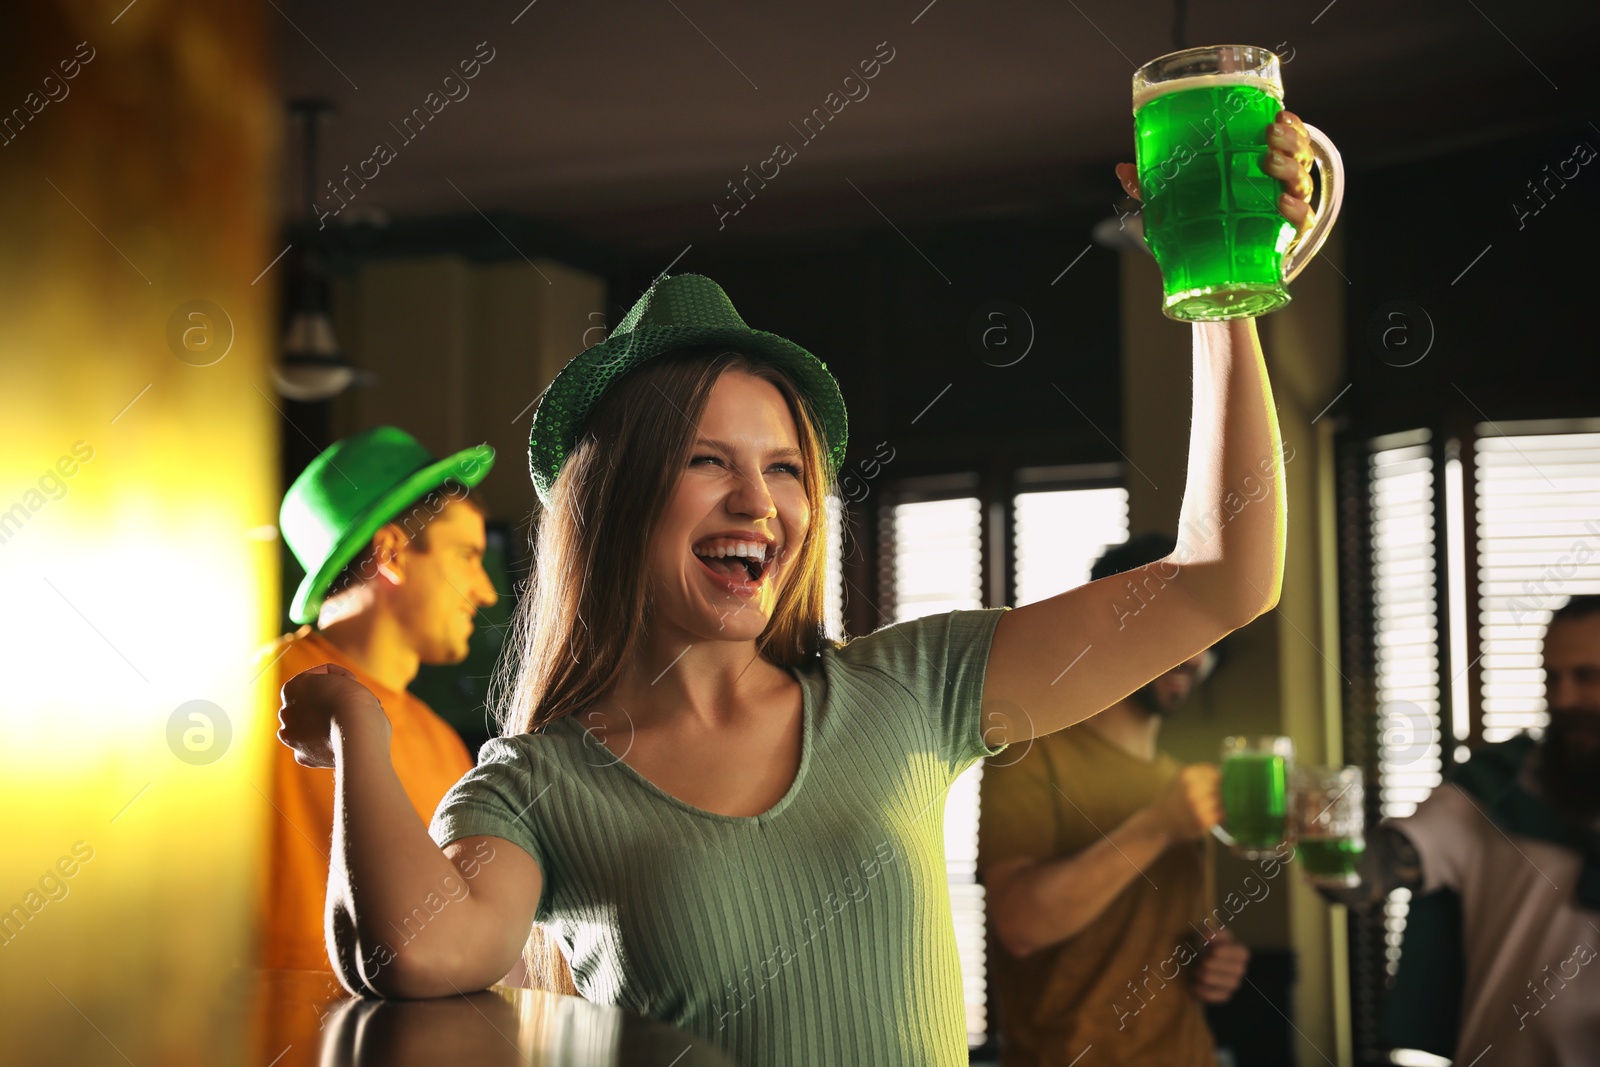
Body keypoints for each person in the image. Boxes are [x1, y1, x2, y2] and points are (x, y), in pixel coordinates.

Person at [276, 115, 1316, 1067]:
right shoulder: (538, 782)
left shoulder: (913, 686)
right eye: (704, 461)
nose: (759, 503)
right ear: (617, 504)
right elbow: (420, 956)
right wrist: (358, 728)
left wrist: (1220, 291)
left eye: (785, 469)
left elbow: (1218, 579)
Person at [978, 533, 1246, 1067]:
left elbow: (1166, 935)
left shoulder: (1181, 785)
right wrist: (1157, 827)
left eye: (1203, 631)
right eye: (1174, 622)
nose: (1193, 653)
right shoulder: (1029, 754)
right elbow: (1021, 925)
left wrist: (1217, 958)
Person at [1317, 594, 1600, 1066]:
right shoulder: (1490, 790)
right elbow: (1362, 874)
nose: (1562, 697)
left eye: (1587, 677)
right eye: (1552, 678)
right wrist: (1313, 832)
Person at [259, 425, 501, 974]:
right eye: (467, 555)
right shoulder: (245, 703)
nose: (485, 591)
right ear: (391, 552)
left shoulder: (444, 748)